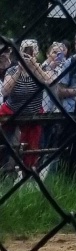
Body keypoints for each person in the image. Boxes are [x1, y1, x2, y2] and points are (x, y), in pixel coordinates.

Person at [3, 39, 52, 172]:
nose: (28, 54)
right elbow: (5, 90)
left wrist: (34, 67)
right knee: (9, 147)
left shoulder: (42, 68)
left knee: (31, 151)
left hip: (33, 112)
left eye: (31, 51)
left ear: (36, 53)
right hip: (12, 111)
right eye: (26, 51)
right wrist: (20, 70)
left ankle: (28, 171)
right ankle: (6, 168)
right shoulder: (13, 68)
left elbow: (49, 81)